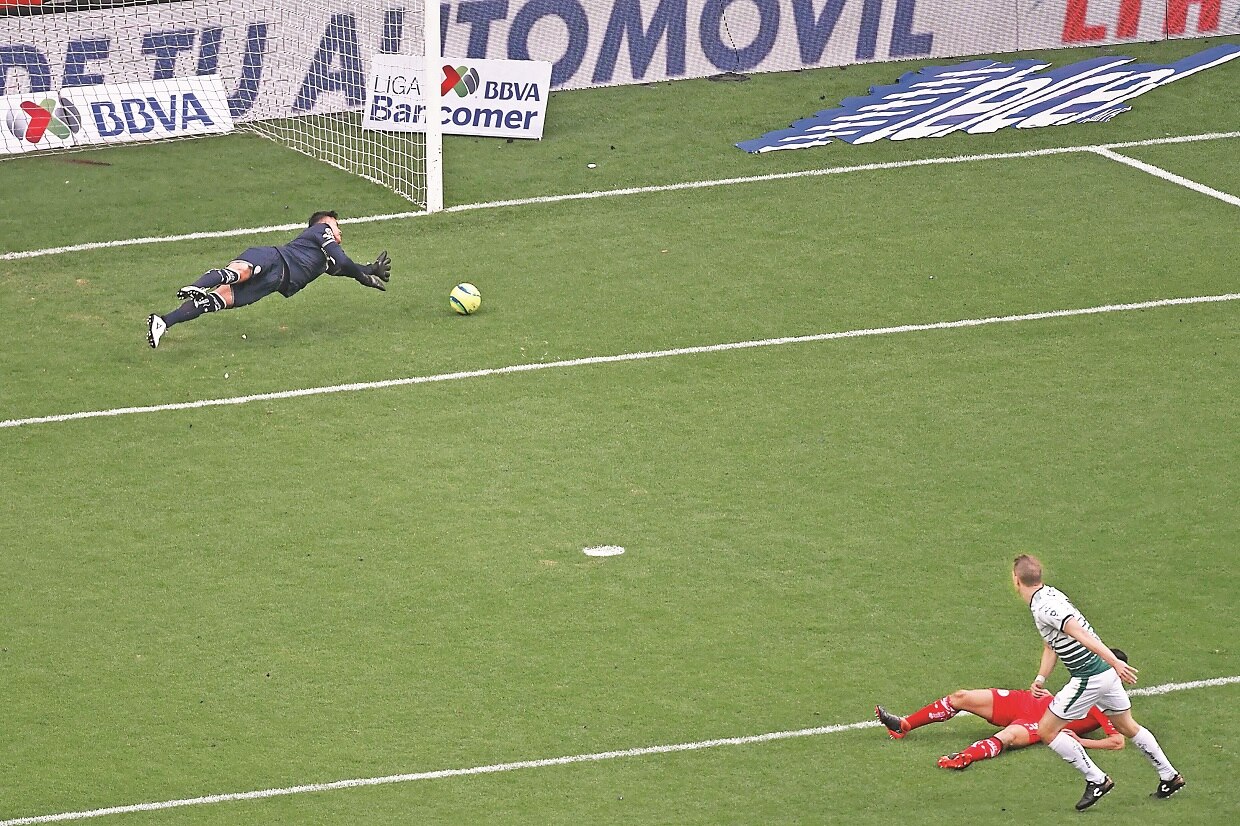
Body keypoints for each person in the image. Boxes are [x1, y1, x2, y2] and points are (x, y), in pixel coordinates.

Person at [1012, 554, 1185, 811]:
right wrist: (1041, 677)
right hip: (1104, 673)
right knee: (1127, 726)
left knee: (1047, 730)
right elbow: (1052, 643)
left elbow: (1078, 633)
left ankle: (1097, 779)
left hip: (1090, 675)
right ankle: (1169, 776)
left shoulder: (1045, 607)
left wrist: (1115, 661)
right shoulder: (1050, 596)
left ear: (1016, 581)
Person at [146, 210, 391, 348]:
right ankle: (196, 286)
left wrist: (370, 269)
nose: (340, 231)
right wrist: (364, 279)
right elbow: (346, 262)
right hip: (272, 259)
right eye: (337, 225)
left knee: (217, 302)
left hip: (272, 284)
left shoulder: (324, 261)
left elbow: (345, 268)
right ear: (325, 224)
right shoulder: (320, 230)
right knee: (237, 273)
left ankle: (163, 321)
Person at [875, 660, 1126, 770]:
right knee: (962, 696)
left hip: (1040, 723)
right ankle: (904, 725)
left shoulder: (1106, 703)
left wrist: (1081, 742)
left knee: (1007, 736)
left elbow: (1117, 741)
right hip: (1028, 702)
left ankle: (966, 757)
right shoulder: (1086, 679)